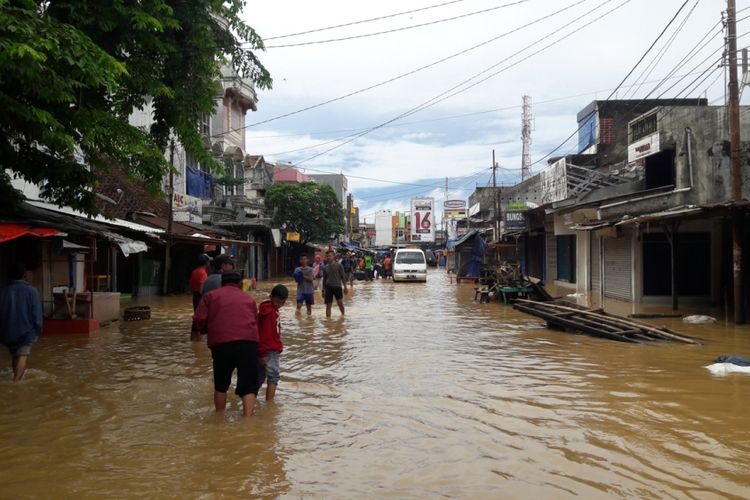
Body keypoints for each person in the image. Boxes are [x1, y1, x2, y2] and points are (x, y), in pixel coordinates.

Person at [0, 263, 43, 382]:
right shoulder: (31, 291)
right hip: (25, 332)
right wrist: (38, 330)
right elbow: (37, 314)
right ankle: (16, 383)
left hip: (6, 332)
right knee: (22, 355)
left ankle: (15, 376)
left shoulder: (2, 291)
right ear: (25, 275)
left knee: (15, 355)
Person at [257, 284, 288, 402]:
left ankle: (252, 399)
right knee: (273, 377)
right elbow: (265, 335)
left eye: (282, 303)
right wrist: (263, 353)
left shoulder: (267, 310)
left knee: (259, 377)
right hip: (269, 350)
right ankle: (270, 405)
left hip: (265, 349)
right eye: (277, 302)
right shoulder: (270, 314)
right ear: (271, 297)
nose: (279, 305)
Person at [189, 253, 211, 340]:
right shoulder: (203, 273)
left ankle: (193, 339)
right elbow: (202, 287)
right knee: (200, 319)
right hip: (200, 296)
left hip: (195, 296)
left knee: (196, 318)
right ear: (206, 262)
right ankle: (198, 341)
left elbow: (191, 285)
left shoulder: (194, 272)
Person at [322, 250, 348, 318]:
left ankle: (343, 316)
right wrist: (323, 290)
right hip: (328, 287)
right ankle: (328, 320)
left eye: (330, 256)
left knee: (340, 303)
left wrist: (345, 287)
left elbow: (343, 277)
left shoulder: (339, 265)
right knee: (328, 305)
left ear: (334, 256)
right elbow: (324, 280)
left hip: (337, 286)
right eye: (327, 256)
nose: (328, 257)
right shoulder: (325, 267)